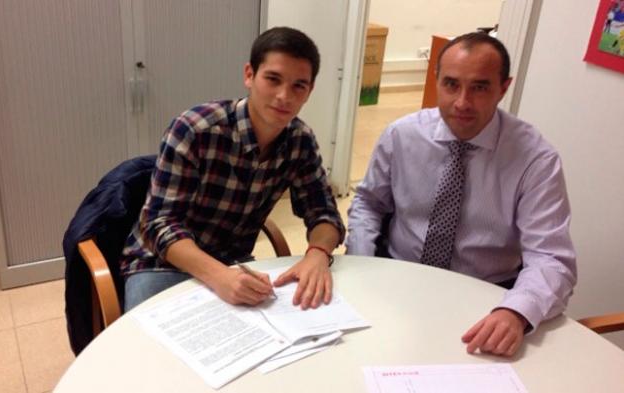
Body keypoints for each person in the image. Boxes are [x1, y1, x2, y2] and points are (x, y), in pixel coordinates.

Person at [346, 32, 576, 357]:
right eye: (451, 84)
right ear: (436, 79)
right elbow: (369, 205)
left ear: (503, 88)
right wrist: (362, 268)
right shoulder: (401, 135)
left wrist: (515, 312)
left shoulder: (535, 159)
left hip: (486, 296)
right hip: (397, 278)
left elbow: (552, 258)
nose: (462, 102)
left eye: (480, 87)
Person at [121, 27, 345, 312]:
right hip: (162, 265)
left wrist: (317, 254)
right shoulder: (195, 129)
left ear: (309, 91)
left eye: (298, 86)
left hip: (235, 265)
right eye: (273, 79)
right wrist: (219, 276)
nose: (283, 96)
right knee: (151, 352)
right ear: (249, 75)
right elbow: (158, 224)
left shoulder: (300, 141)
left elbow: (324, 213)